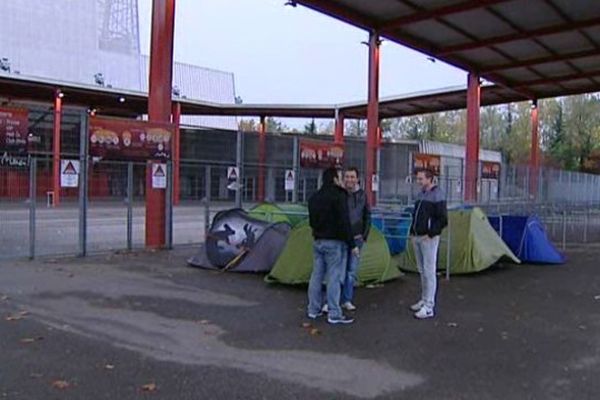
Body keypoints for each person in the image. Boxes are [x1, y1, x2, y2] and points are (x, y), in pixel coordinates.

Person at [307, 167, 359, 325]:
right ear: (335, 179)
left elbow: (311, 222)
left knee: (316, 276)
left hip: (318, 241)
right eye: (341, 177)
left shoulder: (314, 197)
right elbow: (344, 222)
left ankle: (313, 309)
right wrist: (352, 244)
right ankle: (334, 313)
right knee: (334, 278)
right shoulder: (339, 196)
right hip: (335, 243)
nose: (342, 180)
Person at [409, 168, 448, 319]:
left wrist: (431, 233)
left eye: (421, 179)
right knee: (422, 270)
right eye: (418, 179)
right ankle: (424, 299)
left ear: (429, 179)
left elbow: (443, 219)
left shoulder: (437, 194)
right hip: (417, 235)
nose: (418, 182)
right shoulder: (421, 194)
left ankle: (429, 305)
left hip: (428, 237)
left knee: (429, 270)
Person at [340, 167, 370, 311]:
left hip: (357, 238)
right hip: (341, 238)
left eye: (352, 177)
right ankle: (332, 300)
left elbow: (367, 216)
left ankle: (347, 299)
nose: (349, 180)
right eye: (347, 177)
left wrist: (364, 235)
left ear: (357, 179)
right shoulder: (339, 194)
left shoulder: (363, 195)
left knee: (351, 271)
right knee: (337, 271)